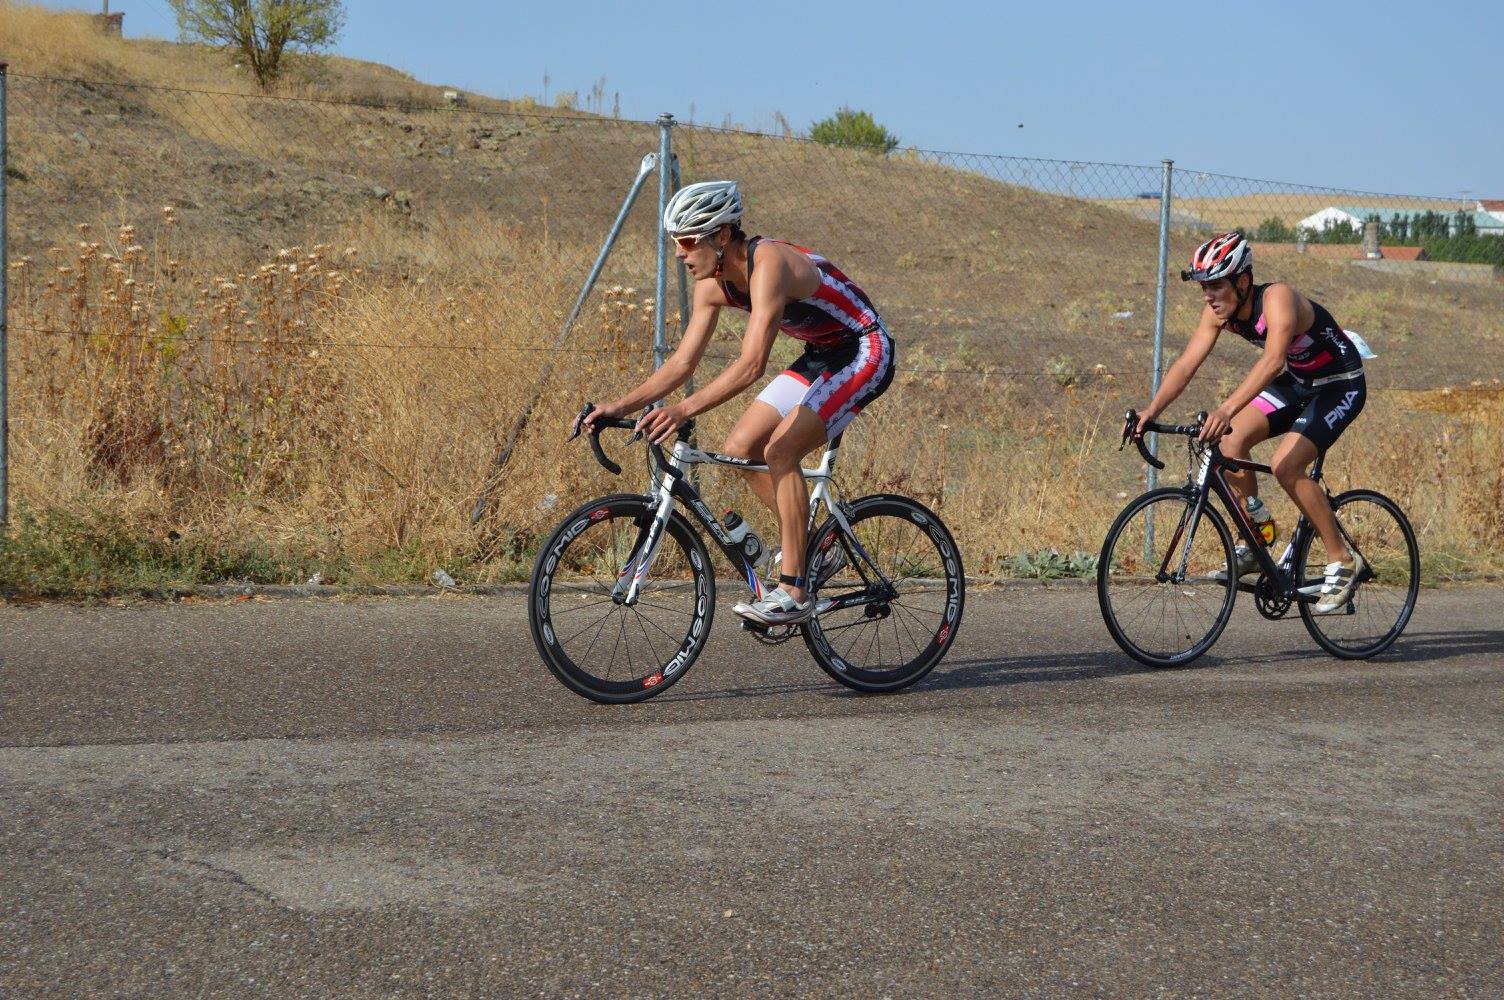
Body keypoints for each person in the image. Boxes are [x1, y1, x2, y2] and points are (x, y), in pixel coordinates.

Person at [579, 180, 895, 625]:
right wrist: (620, 406)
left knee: (781, 451)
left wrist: (682, 410)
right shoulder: (712, 284)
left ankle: (793, 589)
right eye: (674, 243)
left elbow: (751, 365)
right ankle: (811, 551)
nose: (679, 254)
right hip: (822, 355)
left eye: (688, 241)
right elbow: (684, 363)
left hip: (865, 348)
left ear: (722, 235)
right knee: (739, 450)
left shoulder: (769, 265)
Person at [1135, 231, 1367, 613]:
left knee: (1286, 466)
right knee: (1227, 442)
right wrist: (1151, 411)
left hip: (1340, 384)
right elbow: (1187, 363)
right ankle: (1257, 537)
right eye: (1202, 287)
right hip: (1299, 382)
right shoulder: (1218, 312)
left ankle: (1342, 559)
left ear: (1243, 281)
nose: (1208, 296)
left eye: (1215, 285)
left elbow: (1273, 360)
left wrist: (1225, 409)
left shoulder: (1278, 299)